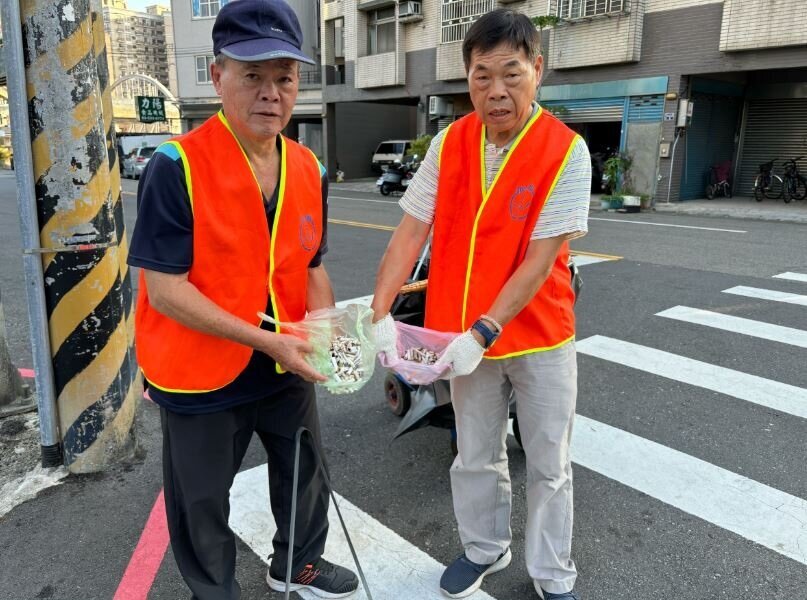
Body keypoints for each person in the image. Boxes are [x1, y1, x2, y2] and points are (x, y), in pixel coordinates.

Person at [128, 1, 358, 598]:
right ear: (217, 75)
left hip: (283, 362)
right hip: (198, 372)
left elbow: (308, 265)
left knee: (305, 474)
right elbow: (166, 291)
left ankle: (297, 563)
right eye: (252, 74)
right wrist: (267, 338)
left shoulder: (308, 167)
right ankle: (216, 591)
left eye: (284, 77)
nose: (270, 93)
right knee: (201, 499)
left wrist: (333, 339)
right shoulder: (175, 166)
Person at [371, 9, 590, 600]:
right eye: (481, 75)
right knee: (474, 455)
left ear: (537, 71)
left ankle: (551, 574)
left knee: (548, 462)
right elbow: (411, 232)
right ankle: (485, 550)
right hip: (460, 339)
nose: (496, 91)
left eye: (511, 74)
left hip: (537, 336)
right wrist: (378, 315)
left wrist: (483, 331)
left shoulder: (566, 151)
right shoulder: (449, 143)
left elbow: (540, 259)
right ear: (466, 77)